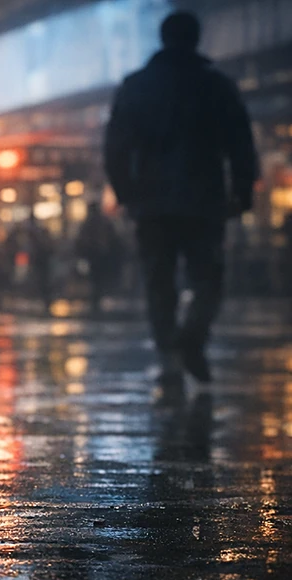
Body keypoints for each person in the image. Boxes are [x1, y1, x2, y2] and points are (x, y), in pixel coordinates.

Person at [104, 11, 258, 384]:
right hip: (204, 199)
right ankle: (193, 336)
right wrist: (242, 192)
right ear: (196, 38)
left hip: (151, 202)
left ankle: (168, 354)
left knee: (159, 281)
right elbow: (240, 143)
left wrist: (126, 192)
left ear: (162, 37)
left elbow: (115, 147)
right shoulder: (216, 85)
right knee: (208, 278)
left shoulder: (136, 86)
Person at [75, 201, 122, 315]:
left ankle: (96, 300)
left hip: (95, 254)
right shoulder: (100, 223)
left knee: (96, 278)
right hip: (98, 254)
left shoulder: (91, 224)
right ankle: (96, 299)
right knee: (97, 278)